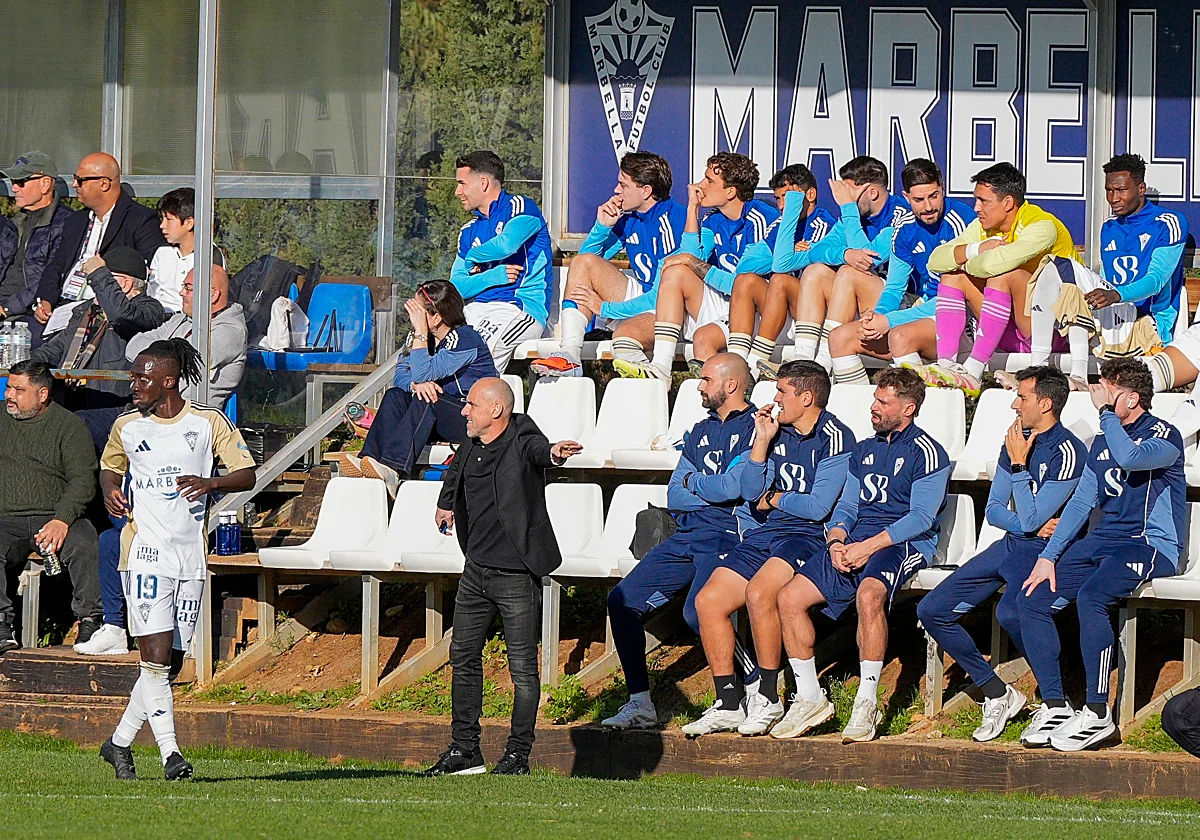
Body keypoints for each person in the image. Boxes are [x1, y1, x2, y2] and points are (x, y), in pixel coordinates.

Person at [98, 339, 256, 781]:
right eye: (133, 376)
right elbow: (110, 467)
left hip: (190, 556)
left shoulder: (208, 422)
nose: (134, 384)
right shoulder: (127, 425)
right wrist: (110, 488)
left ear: (168, 381)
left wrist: (210, 483)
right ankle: (171, 754)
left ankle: (118, 743)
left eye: (142, 378)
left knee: (170, 664)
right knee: (153, 657)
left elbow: (247, 473)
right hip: (144, 553)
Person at [776, 367, 950, 744]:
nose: (874, 407)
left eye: (883, 402)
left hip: (903, 544)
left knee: (869, 595)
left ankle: (867, 701)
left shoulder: (929, 453)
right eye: (875, 399)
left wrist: (868, 547)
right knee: (788, 598)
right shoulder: (864, 449)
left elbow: (921, 518)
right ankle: (809, 697)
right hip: (855, 541)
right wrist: (836, 541)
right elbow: (847, 506)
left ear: (908, 408)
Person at [1021, 358, 1185, 751]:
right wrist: (1049, 556)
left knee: (1092, 597)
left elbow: (1130, 458)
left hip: (1149, 544)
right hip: (1103, 540)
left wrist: (1106, 414)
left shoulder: (1164, 434)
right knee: (1031, 600)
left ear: (1132, 398)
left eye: (1110, 392)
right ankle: (1056, 705)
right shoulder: (1102, 439)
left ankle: (1097, 712)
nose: (1102, 399)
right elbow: (1082, 503)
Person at [916, 367, 1086, 743]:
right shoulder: (1014, 440)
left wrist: (1021, 468)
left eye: (1022, 397)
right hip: (1012, 543)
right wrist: (1027, 522)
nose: (1014, 405)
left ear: (1046, 404)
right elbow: (995, 511)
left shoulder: (1069, 451)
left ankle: (1057, 701)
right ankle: (997, 692)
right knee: (931, 610)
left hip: (1047, 552)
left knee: (1012, 612)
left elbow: (1033, 517)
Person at [688, 361, 855, 738]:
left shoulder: (836, 437)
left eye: (782, 392)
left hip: (808, 536)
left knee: (759, 593)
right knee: (708, 601)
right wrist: (761, 441)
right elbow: (750, 492)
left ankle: (768, 697)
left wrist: (776, 498)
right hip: (768, 531)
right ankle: (729, 703)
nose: (775, 399)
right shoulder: (775, 430)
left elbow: (818, 508)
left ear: (806, 397)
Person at [426, 378, 583, 776]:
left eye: (472, 404)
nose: (465, 411)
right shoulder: (471, 442)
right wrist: (446, 504)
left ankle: (517, 756)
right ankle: (465, 751)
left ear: (496, 410)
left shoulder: (522, 434)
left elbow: (538, 451)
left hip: (515, 576)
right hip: (474, 572)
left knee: (522, 670)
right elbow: (455, 471)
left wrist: (554, 453)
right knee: (462, 657)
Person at [601, 354, 759, 730]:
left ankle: (754, 689)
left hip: (728, 534)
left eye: (706, 380)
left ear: (731, 385)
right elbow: (675, 493)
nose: (699, 386)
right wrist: (709, 488)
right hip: (687, 532)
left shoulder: (757, 427)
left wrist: (697, 484)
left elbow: (736, 487)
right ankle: (640, 703)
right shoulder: (701, 429)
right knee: (621, 602)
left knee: (697, 611)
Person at [1024, 154, 1187, 390]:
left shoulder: (1169, 222)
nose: (1113, 198)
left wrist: (1116, 295)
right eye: (1109, 190)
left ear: (1141, 189)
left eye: (1121, 190)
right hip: (1115, 318)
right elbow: (1106, 283)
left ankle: (1072, 375)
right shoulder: (1109, 227)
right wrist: (1108, 296)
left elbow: (1156, 281)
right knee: (1059, 274)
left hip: (1147, 325)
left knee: (1064, 267)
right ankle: (1043, 371)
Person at [916, 163, 1079, 397]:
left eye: (983, 201)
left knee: (1005, 273)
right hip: (1004, 329)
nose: (976, 208)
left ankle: (974, 370)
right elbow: (935, 261)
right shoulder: (983, 227)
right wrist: (976, 249)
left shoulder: (1042, 226)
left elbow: (991, 266)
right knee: (952, 276)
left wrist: (967, 259)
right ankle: (947, 365)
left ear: (1008, 203)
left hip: (1052, 333)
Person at [614, 152, 779, 381]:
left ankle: (735, 393)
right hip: (723, 301)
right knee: (676, 272)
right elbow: (691, 257)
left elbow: (742, 284)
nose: (701, 185)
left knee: (704, 337)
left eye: (709, 180)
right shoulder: (711, 218)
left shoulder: (760, 216)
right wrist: (693, 208)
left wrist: (693, 262)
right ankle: (661, 367)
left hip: (756, 310)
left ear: (731, 192)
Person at [534, 152, 686, 377]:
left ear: (646, 190)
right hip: (645, 297)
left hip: (672, 309)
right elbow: (584, 265)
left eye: (623, 185)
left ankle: (652, 381)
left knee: (624, 336)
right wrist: (602, 226)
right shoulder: (630, 219)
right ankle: (569, 355)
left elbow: (665, 292)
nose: (616, 190)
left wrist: (606, 309)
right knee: (582, 262)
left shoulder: (676, 220)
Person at [757, 155, 909, 378]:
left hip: (897, 305)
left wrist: (848, 208)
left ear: (872, 192)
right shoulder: (852, 215)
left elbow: (868, 260)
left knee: (849, 272)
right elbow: (810, 254)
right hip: (858, 307)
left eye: (848, 192)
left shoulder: (901, 215)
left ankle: (821, 366)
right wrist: (844, 253)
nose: (841, 198)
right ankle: (803, 362)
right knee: (815, 271)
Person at [337, 281, 494, 496]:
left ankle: (394, 469)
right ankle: (369, 460)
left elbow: (423, 373)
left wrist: (421, 334)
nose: (412, 318)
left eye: (417, 312)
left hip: (470, 418)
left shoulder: (465, 339)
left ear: (436, 317)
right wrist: (414, 385)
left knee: (427, 398)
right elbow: (400, 376)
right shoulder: (417, 338)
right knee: (395, 396)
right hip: (431, 417)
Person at [826, 159, 973, 384]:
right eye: (918, 200)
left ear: (942, 188)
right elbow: (895, 287)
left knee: (900, 335)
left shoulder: (962, 221)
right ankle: (859, 405)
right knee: (839, 338)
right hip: (924, 311)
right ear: (906, 197)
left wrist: (890, 320)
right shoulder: (904, 227)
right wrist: (878, 315)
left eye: (933, 196)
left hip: (962, 319)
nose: (928, 207)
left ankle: (920, 401)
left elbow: (958, 297)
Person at [0, 360, 102, 654]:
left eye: (19, 390)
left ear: (42, 394)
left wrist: (62, 519)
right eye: (8, 388)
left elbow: (83, 480)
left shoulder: (69, 426)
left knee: (86, 542)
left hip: (55, 516)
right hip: (6, 519)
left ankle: (90, 621)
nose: (9, 395)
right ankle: (1, 624)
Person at [32, 246, 166, 420]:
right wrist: (23, 361)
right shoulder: (86, 311)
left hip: (113, 407)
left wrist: (98, 273)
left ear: (124, 285)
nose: (94, 287)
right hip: (71, 399)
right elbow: (56, 349)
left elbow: (121, 315)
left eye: (100, 281)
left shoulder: (149, 310)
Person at [450, 151, 552, 374]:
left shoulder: (521, 207)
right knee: (437, 346)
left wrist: (473, 256)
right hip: (475, 309)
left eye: (462, 183)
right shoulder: (468, 230)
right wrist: (493, 276)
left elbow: (507, 244)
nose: (458, 191)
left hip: (519, 308)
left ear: (483, 183)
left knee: (480, 360)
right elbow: (456, 287)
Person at [725, 164, 835, 372]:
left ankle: (754, 364)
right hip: (782, 312)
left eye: (789, 197)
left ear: (810, 195)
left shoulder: (823, 224)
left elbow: (781, 266)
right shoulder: (779, 225)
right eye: (778, 198)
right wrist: (787, 251)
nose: (783, 206)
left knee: (780, 279)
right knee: (745, 281)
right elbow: (745, 266)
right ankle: (736, 363)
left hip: (813, 315)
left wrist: (783, 256)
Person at [39, 152, 165, 321]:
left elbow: (148, 276)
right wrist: (45, 301)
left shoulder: (140, 220)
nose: (74, 185)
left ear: (104, 183)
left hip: (103, 311)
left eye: (80, 180)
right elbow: (56, 266)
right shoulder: (77, 220)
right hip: (62, 307)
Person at [124, 266, 247, 411]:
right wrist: (168, 350)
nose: (181, 292)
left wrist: (156, 352)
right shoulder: (180, 319)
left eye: (189, 288)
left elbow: (184, 361)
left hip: (191, 416)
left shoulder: (230, 332)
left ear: (213, 295)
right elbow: (132, 347)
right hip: (152, 410)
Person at [0, 152, 77, 342]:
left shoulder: (67, 224)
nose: (14, 188)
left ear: (45, 184)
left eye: (21, 182)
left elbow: (50, 279)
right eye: (13, 182)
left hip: (27, 315)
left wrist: (6, 308)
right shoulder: (14, 223)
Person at [145, 188, 227, 314]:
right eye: (162, 219)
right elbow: (153, 292)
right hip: (158, 317)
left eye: (169, 220)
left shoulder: (209, 255)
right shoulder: (162, 252)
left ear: (189, 223)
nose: (162, 225)